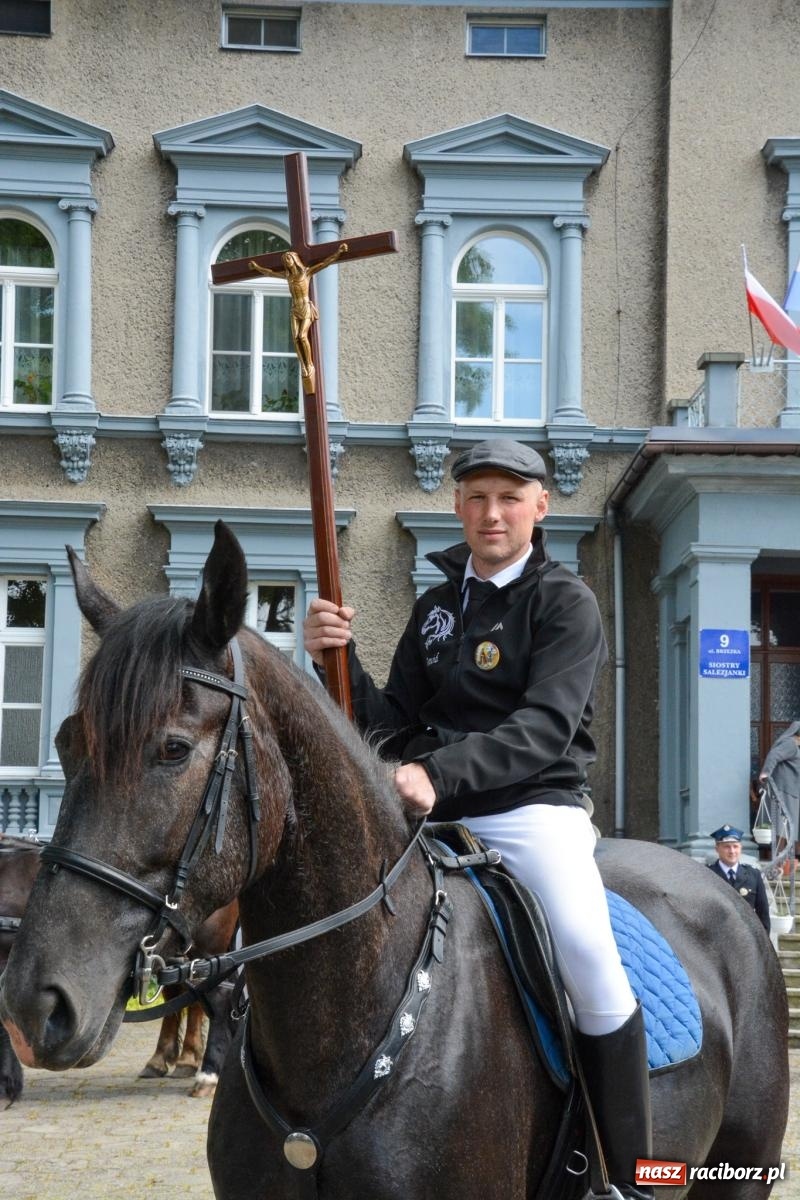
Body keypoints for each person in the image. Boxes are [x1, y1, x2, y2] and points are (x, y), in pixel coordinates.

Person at [304, 437, 653, 1199]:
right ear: (459, 506)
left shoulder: (565, 602)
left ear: (539, 506)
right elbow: (391, 722)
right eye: (476, 498)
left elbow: (544, 729)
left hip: (532, 813)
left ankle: (630, 1179)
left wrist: (437, 772)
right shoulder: (435, 608)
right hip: (428, 816)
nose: (491, 513)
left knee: (592, 961)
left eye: (508, 497)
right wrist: (338, 660)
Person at [248, 245, 348, 393]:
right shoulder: (288, 276)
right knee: (295, 339)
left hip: (305, 307)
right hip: (294, 309)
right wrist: (256, 267)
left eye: (288, 258)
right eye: (284, 259)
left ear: (295, 259)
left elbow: (325, 263)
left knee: (302, 336)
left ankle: (309, 365)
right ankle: (303, 365)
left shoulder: (307, 272)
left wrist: (338, 252)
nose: (286, 261)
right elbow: (269, 273)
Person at [707, 825, 770, 932]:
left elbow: (763, 913)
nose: (732, 851)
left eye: (735, 846)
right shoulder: (707, 874)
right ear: (717, 849)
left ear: (741, 848)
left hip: (746, 939)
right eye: (727, 847)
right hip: (716, 939)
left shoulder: (753, 875)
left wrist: (763, 945)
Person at [759, 722, 800, 858]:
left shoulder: (794, 746)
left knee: (787, 826)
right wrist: (766, 773)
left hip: (791, 790)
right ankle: (782, 861)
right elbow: (774, 755)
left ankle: (786, 860)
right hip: (785, 790)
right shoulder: (791, 744)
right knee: (785, 826)